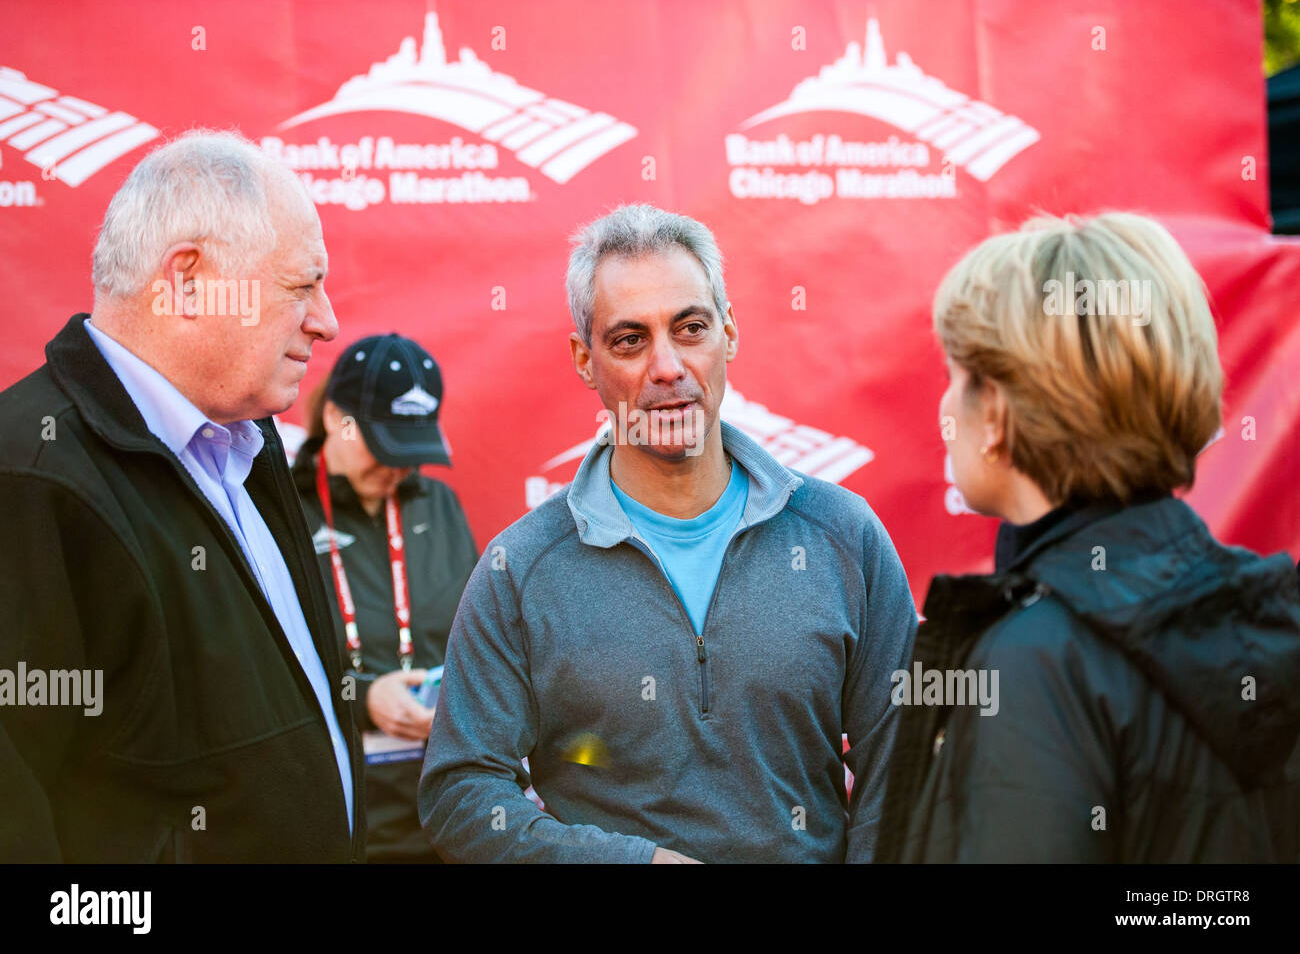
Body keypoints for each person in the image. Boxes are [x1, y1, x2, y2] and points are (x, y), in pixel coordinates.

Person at [419, 203, 917, 863]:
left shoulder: (842, 536)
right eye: (629, 340)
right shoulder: (522, 568)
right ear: (584, 358)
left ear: (729, 332)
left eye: (690, 328)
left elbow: (905, 769)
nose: (667, 366)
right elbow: (460, 791)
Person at [876, 212, 1300, 863]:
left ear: (996, 412)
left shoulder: (1035, 658)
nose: (945, 407)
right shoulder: (1264, 616)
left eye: (957, 375)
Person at [0, 130, 365, 862]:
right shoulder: (28, 477)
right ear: (189, 280)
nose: (327, 321)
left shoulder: (250, 441)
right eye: (302, 285)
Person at [294, 334, 478, 862]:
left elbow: (479, 638)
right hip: (339, 821)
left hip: (447, 815)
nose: (397, 467)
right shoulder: (280, 512)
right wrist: (363, 697)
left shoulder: (438, 504)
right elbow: (255, 671)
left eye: (411, 447)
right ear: (335, 418)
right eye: (383, 445)